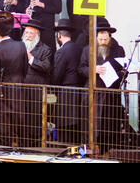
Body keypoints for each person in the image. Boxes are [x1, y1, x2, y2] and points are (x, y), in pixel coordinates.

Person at [79, 17, 127, 153]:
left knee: (109, 125)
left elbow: (124, 70)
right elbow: (80, 69)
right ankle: (90, 149)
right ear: (96, 38)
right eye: (100, 40)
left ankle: (108, 151)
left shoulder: (118, 50)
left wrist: (116, 74)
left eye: (106, 40)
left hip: (111, 95)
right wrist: (93, 70)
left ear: (109, 38)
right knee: (91, 124)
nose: (103, 42)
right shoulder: (88, 49)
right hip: (93, 93)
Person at [0, 11, 28, 147]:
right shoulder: (21, 46)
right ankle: (23, 153)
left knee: (4, 126)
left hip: (2, 92)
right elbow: (25, 69)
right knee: (21, 124)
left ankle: (6, 151)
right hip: (19, 89)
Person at [20, 18, 52, 146]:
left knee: (35, 119)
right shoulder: (19, 46)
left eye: (31, 33)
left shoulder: (45, 49)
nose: (28, 36)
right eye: (26, 33)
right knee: (22, 118)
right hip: (21, 89)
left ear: (37, 35)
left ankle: (36, 146)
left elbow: (46, 67)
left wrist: (31, 59)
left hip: (36, 91)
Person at [51, 19, 82, 144]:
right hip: (79, 91)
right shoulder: (78, 48)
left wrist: (53, 88)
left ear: (59, 35)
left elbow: (57, 74)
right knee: (75, 126)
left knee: (64, 125)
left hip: (65, 92)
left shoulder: (62, 51)